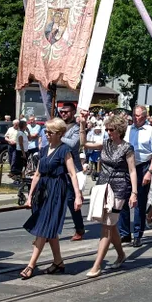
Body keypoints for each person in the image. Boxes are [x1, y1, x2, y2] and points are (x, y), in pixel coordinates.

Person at [20, 118, 84, 278]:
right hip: (42, 190)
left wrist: (77, 196)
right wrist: (29, 197)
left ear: (60, 134)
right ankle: (58, 262)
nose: (47, 134)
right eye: (46, 131)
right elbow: (37, 174)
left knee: (43, 226)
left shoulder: (64, 150)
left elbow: (72, 174)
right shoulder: (43, 149)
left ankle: (31, 265)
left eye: (50, 132)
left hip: (56, 190)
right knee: (50, 227)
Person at [82, 113, 138, 278]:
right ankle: (121, 255)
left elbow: (132, 170)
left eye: (111, 129)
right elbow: (83, 143)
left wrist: (134, 193)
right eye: (106, 129)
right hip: (103, 186)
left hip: (119, 188)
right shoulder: (105, 143)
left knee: (107, 225)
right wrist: (82, 124)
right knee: (110, 224)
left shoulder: (127, 148)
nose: (108, 132)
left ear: (119, 130)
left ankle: (97, 265)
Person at [119, 106, 152, 247]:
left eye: (139, 116)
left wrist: (149, 171)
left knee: (139, 202)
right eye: (135, 116)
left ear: (145, 116)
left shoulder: (151, 131)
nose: (137, 119)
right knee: (123, 200)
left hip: (142, 166)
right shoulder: (128, 129)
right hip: (127, 167)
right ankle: (124, 233)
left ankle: (137, 234)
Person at [58, 102, 86, 241]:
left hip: (71, 169)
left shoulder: (75, 127)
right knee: (53, 200)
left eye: (66, 112)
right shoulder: (57, 124)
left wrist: (57, 136)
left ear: (73, 112)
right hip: (57, 168)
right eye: (62, 111)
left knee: (71, 200)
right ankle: (50, 231)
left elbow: (74, 144)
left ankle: (79, 228)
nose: (63, 114)